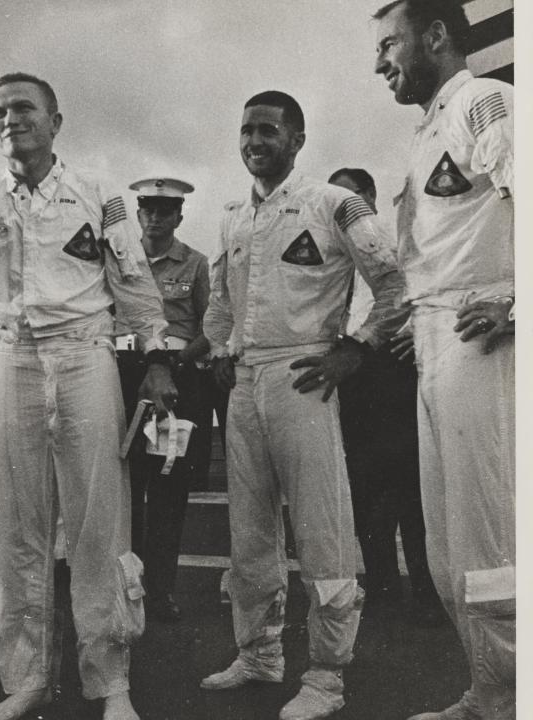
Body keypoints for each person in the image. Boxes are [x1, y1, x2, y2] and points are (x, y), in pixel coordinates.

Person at [200, 90, 407, 720]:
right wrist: (216, 351)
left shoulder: (332, 203)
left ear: (297, 138)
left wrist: (357, 348)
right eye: (245, 132)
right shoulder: (234, 215)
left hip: (306, 376)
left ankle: (327, 675)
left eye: (268, 130)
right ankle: (260, 652)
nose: (254, 142)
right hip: (246, 382)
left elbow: (394, 282)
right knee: (251, 533)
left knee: (323, 531)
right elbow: (220, 302)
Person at [0, 72, 177, 720]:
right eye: (0, 112)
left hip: (86, 353)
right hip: (14, 357)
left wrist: (155, 359)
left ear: (55, 122)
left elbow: (137, 283)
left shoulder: (101, 194)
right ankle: (27, 678)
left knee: (98, 523)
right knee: (16, 527)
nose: (13, 120)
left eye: (25, 109)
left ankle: (111, 682)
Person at [373, 2, 514, 718]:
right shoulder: (429, 129)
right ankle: (488, 689)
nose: (379, 63)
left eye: (389, 44)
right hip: (436, 342)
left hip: (485, 340)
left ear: (435, 37)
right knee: (449, 547)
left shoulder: (487, 103)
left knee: (493, 541)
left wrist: (515, 304)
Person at [328, 167, 441, 620]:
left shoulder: (400, 247)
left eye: (353, 197)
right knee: (362, 488)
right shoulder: (333, 259)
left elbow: (428, 295)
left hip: (393, 371)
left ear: (371, 200)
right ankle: (382, 587)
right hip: (350, 377)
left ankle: (429, 591)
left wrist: (415, 329)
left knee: (410, 489)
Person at [116, 177, 210, 622]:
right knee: (125, 489)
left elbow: (212, 326)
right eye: (148, 209)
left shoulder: (195, 264)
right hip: (125, 374)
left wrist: (174, 366)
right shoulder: (119, 259)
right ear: (138, 214)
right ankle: (127, 586)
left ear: (179, 216)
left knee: (168, 488)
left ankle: (162, 591)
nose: (155, 217)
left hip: (177, 380)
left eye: (165, 210)